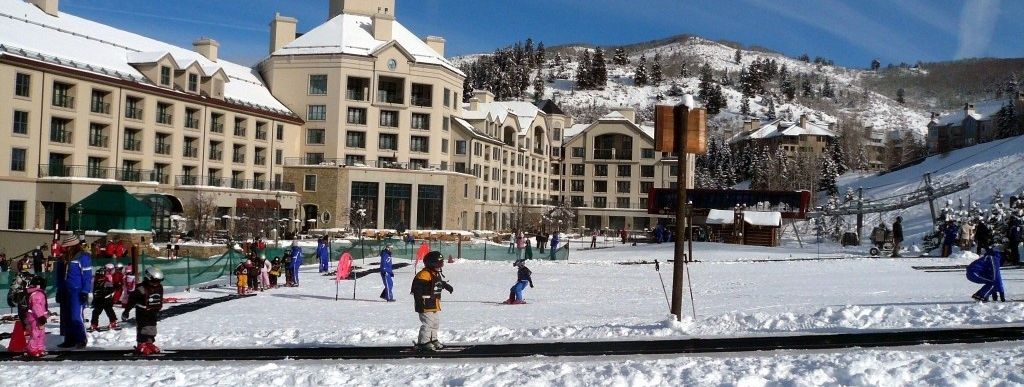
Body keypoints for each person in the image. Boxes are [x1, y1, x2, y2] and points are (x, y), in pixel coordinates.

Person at [411, 251, 453, 352]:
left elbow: (437, 282)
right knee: (428, 323)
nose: (440, 266)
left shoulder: (434, 273)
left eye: (441, 263)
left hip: (433, 303)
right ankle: (423, 342)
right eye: (439, 263)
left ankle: (433, 339)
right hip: (425, 304)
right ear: (431, 263)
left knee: (435, 323)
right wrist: (419, 303)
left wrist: (445, 285)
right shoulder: (424, 274)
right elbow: (417, 289)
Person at [55, 238, 91, 349]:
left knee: (75, 316)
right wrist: (59, 290)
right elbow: (59, 276)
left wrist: (85, 291)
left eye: (67, 247)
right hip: (65, 290)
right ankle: (69, 339)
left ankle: (81, 339)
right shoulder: (63, 259)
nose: (64, 249)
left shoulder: (82, 257)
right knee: (66, 316)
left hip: (77, 290)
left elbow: (87, 276)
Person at [122, 267, 165, 356]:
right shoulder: (141, 289)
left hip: (153, 310)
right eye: (155, 281)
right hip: (142, 311)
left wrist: (158, 309)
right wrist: (126, 311)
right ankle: (141, 344)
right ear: (148, 278)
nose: (156, 283)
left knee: (152, 327)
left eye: (159, 281)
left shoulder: (159, 287)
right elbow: (132, 301)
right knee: (143, 328)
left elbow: (159, 298)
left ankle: (149, 343)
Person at [24, 274, 49, 358]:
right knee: (35, 333)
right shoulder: (37, 294)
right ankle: (32, 349)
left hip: (40, 317)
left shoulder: (39, 293)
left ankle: (39, 348)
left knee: (41, 333)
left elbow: (41, 306)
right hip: (35, 317)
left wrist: (44, 315)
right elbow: (36, 306)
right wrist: (41, 316)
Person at [89, 265, 118, 332]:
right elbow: (94, 291)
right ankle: (94, 324)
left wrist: (107, 294)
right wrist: (95, 298)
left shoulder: (106, 281)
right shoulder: (95, 282)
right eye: (97, 276)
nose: (99, 277)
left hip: (106, 299)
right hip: (99, 300)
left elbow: (112, 289)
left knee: (109, 311)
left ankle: (113, 322)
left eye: (100, 276)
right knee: (96, 312)